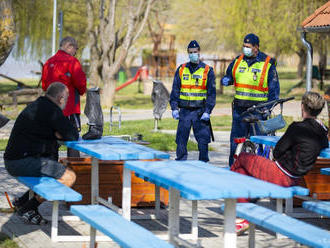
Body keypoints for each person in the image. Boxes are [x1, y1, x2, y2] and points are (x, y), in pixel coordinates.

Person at [231, 91, 328, 235]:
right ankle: (242, 213)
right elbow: (323, 143)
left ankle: (241, 213)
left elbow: (277, 152)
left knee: (243, 158)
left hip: (281, 174)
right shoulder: (322, 130)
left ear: (303, 107)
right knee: (244, 171)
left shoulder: (297, 127)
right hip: (296, 178)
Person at [4, 82, 79, 225]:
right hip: (21, 162)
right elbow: (73, 135)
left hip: (13, 160)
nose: (67, 101)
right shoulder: (52, 110)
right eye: (67, 98)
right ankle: (28, 208)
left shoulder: (38, 105)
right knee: (69, 177)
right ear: (60, 98)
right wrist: (58, 133)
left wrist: (57, 133)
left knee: (53, 170)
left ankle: (22, 201)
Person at [221, 33, 280, 166]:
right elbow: (229, 75)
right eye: (244, 46)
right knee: (236, 143)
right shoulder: (237, 61)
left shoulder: (267, 64)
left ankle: (257, 171)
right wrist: (227, 80)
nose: (245, 49)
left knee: (258, 143)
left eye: (248, 46)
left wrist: (267, 109)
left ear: (256, 48)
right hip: (239, 110)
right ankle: (234, 168)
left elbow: (274, 91)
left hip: (258, 111)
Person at [170, 40, 216, 162]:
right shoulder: (181, 69)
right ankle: (181, 162)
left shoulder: (207, 70)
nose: (193, 54)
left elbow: (211, 94)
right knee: (181, 140)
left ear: (199, 52)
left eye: (195, 52)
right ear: (188, 53)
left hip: (200, 112)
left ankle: (203, 164)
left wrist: (208, 111)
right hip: (184, 111)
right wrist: (174, 108)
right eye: (190, 52)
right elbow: (175, 91)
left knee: (203, 140)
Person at [41, 36, 86, 157]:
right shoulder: (72, 62)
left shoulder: (48, 62)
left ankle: (51, 169)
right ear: (68, 46)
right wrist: (82, 91)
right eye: (75, 48)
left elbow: (45, 86)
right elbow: (81, 83)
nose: (76, 52)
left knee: (52, 141)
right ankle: (74, 170)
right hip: (69, 109)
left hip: (50, 110)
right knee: (73, 141)